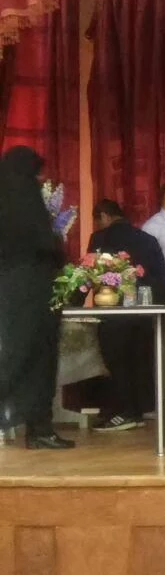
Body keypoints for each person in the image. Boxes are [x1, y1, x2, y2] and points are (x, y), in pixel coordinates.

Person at [0, 147, 75, 448]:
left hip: (34, 291)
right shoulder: (19, 205)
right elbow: (43, 245)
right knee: (21, 357)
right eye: (36, 173)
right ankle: (39, 429)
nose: (40, 179)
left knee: (40, 358)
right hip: (25, 291)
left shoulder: (22, 201)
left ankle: (41, 428)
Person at [86, 199, 165, 431]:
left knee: (116, 363)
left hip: (114, 312)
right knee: (140, 361)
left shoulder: (100, 239)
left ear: (104, 216)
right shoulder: (148, 239)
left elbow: (89, 273)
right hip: (145, 311)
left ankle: (125, 412)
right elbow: (162, 279)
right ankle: (139, 409)